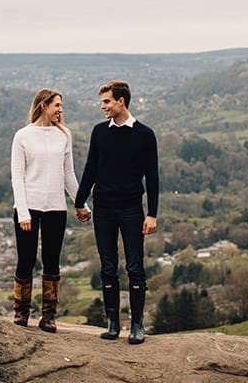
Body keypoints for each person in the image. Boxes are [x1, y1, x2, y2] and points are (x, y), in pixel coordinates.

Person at [75, 80, 159, 344]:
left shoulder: (145, 135)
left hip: (132, 208)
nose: (103, 107)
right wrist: (79, 201)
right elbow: (90, 168)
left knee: (135, 266)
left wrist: (152, 214)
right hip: (103, 208)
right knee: (108, 266)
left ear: (121, 101)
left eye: (106, 101)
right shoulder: (99, 132)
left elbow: (153, 178)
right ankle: (112, 323)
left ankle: (137, 325)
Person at [11, 88, 89, 333]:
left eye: (61, 106)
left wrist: (81, 204)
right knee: (26, 260)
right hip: (29, 207)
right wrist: (23, 213)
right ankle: (21, 313)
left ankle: (48, 316)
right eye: (57, 105)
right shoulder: (22, 136)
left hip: (55, 207)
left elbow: (68, 175)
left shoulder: (63, 135)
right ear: (43, 105)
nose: (60, 110)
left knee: (52, 262)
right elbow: (17, 177)